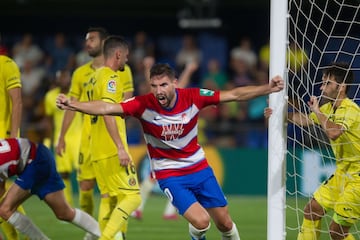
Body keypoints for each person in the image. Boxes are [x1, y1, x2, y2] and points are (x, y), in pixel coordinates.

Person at [56, 63, 284, 240]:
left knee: (224, 223)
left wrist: (268, 88)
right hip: (170, 174)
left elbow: (234, 95)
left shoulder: (193, 97)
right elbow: (106, 107)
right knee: (202, 221)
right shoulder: (143, 104)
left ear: (175, 83)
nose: (158, 91)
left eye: (163, 85)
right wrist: (72, 104)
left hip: (200, 168)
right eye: (154, 86)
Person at [265, 62, 359, 240]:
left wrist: (317, 110)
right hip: (343, 173)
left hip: (358, 178)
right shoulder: (328, 108)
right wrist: (278, 113)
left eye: (327, 83)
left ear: (341, 87)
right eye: (322, 82)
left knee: (336, 231)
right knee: (312, 209)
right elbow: (305, 120)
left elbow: (333, 133)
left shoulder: (351, 110)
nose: (322, 87)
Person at [55, 27, 113, 240]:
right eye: (86, 39)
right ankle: (91, 231)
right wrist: (61, 137)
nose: (87, 43)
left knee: (110, 191)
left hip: (109, 137)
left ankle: (114, 233)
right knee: (85, 186)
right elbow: (71, 106)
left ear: (105, 42)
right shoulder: (80, 73)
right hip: (87, 138)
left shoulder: (119, 70)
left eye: (92, 39)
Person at [83, 35, 140, 240]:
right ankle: (106, 237)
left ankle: (106, 235)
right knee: (133, 196)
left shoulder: (94, 77)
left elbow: (90, 109)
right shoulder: (112, 78)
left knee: (108, 198)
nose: (126, 60)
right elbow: (107, 111)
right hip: (110, 148)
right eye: (125, 56)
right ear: (118, 54)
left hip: (97, 149)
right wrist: (120, 147)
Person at [0, 138, 101, 240]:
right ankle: (105, 233)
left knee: (5, 209)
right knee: (64, 212)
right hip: (42, 154)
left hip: (33, 161)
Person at [0, 54, 30, 240]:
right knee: (3, 196)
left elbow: (17, 101)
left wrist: (13, 139)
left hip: (3, 138)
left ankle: (27, 236)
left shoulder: (6, 64)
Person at [44, 69, 82, 206]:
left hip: (78, 137)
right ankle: (69, 205)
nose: (64, 80)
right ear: (57, 79)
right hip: (60, 139)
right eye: (61, 77)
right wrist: (48, 141)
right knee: (63, 174)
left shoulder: (78, 94)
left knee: (82, 173)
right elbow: (48, 120)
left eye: (66, 76)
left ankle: (84, 205)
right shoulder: (50, 96)